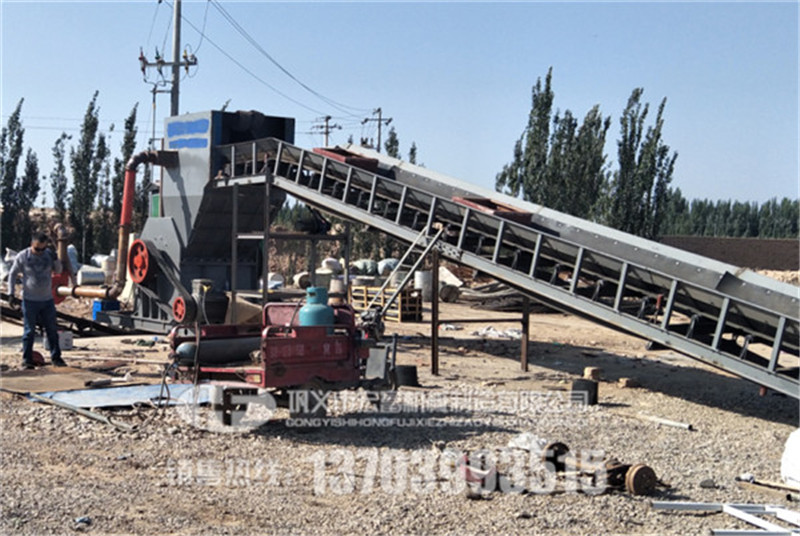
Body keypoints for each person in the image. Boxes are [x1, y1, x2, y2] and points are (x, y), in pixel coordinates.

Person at [7, 232, 67, 369]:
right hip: (30, 300)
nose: (40, 252)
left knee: (52, 329)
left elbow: (58, 270)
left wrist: (56, 258)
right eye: (37, 249)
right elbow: (12, 274)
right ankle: (27, 360)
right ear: (31, 244)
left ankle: (56, 358)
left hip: (47, 300)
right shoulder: (23, 256)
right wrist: (11, 294)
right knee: (29, 331)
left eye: (42, 249)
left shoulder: (48, 255)